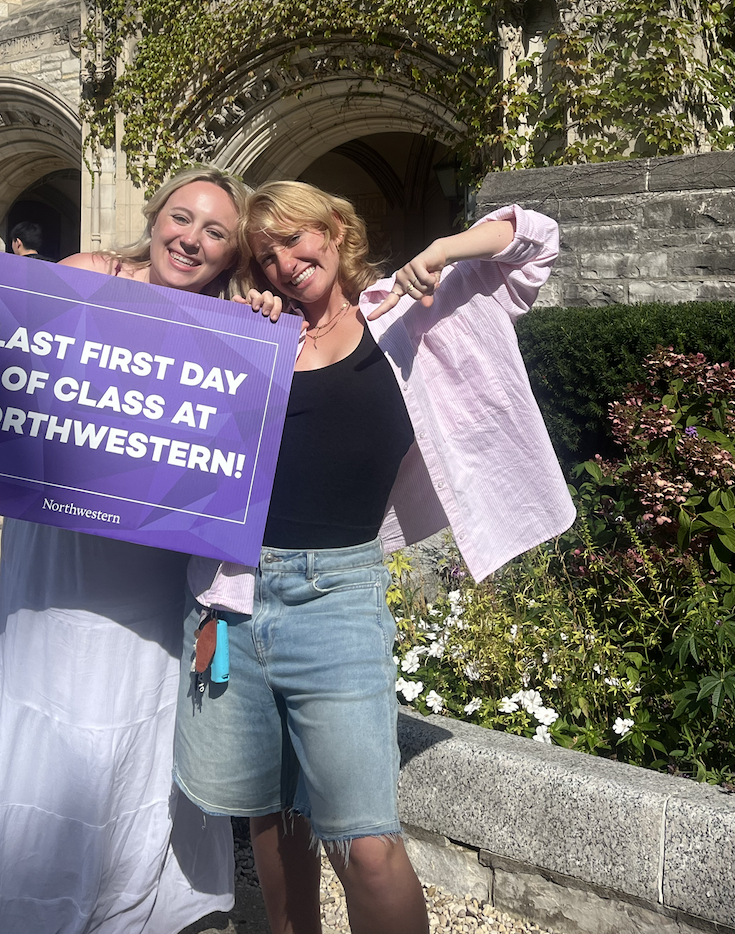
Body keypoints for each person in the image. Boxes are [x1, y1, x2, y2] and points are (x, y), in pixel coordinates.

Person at [175, 182, 576, 934]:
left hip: (337, 598)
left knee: (365, 841)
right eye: (267, 256)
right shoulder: (256, 335)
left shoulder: (404, 313)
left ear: (336, 229)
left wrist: (445, 249)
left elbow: (536, 238)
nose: (286, 263)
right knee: (271, 820)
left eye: (298, 240)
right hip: (232, 595)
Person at [0, 168, 247, 934]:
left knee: (136, 709)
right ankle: (34, 896)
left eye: (215, 232)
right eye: (182, 217)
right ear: (155, 214)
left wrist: (265, 317)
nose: (191, 239)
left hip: (150, 557)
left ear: (234, 253)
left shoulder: (234, 324)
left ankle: (136, 895)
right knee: (57, 706)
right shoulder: (90, 272)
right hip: (58, 536)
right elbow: (8, 361)